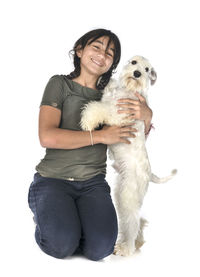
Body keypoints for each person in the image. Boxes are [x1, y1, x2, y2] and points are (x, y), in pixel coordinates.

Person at [27, 28, 153, 261]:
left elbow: (135, 135)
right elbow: (47, 136)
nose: (102, 55)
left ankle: (71, 223)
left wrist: (147, 114)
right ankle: (48, 217)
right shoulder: (59, 84)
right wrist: (101, 136)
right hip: (53, 180)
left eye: (110, 53)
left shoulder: (112, 92)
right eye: (96, 47)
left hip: (92, 184)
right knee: (61, 246)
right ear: (79, 50)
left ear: (113, 63)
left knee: (101, 250)